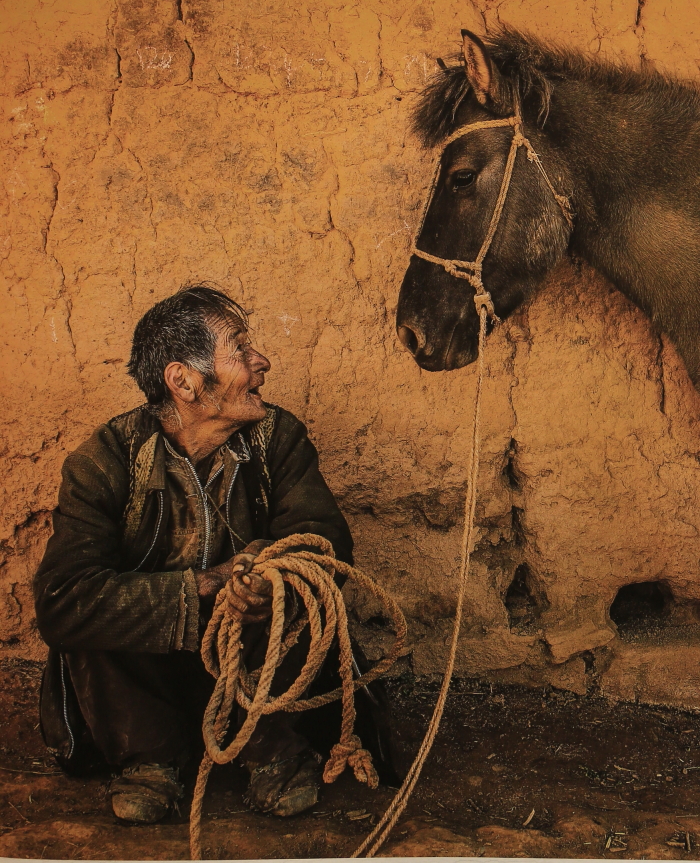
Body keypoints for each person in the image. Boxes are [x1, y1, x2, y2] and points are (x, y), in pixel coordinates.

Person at [33, 285, 359, 825]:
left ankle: (270, 750)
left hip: (251, 662)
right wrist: (204, 585)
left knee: (301, 590)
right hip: (144, 674)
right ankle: (151, 757)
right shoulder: (104, 460)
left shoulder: (279, 438)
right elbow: (61, 599)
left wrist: (272, 576)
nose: (262, 362)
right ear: (183, 380)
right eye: (240, 349)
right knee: (94, 613)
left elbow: (324, 540)